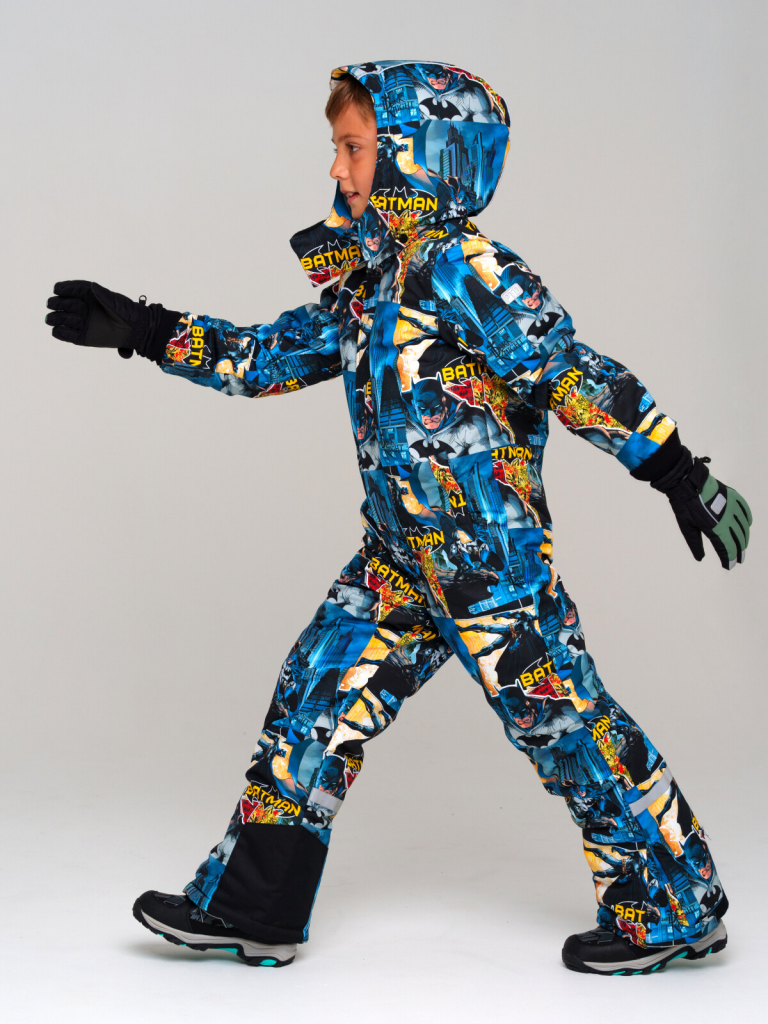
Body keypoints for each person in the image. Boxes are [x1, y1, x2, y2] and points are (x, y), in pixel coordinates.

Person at [45, 60, 752, 975]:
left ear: (425, 153)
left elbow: (570, 371)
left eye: (353, 148)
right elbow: (265, 356)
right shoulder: (372, 282)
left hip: (488, 568)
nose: (337, 169)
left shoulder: (467, 267)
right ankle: (254, 907)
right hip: (396, 561)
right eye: (336, 148)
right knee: (315, 696)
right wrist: (145, 329)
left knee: (565, 725)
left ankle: (676, 908)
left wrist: (676, 468)